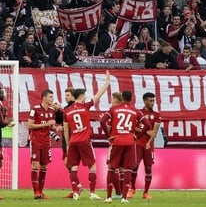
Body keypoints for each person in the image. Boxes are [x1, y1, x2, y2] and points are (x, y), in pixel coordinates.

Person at [63, 70, 111, 200]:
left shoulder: (66, 111)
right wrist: (107, 83)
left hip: (73, 141)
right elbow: (98, 96)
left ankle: (75, 192)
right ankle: (92, 193)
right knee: (92, 166)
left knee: (74, 166)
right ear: (81, 96)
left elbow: (65, 130)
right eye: (84, 94)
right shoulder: (85, 106)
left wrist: (67, 145)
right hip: (84, 140)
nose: (85, 96)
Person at [104, 90, 142, 203]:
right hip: (130, 141)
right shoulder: (135, 111)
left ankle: (109, 197)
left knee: (111, 168)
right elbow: (147, 125)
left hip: (116, 141)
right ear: (131, 98)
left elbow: (103, 122)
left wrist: (108, 136)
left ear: (120, 98)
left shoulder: (114, 110)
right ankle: (124, 197)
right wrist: (137, 135)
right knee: (127, 169)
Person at [28, 89, 58, 199]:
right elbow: (30, 125)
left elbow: (51, 127)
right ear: (44, 98)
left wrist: (56, 128)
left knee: (44, 166)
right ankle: (36, 192)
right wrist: (46, 124)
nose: (52, 99)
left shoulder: (52, 111)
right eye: (50, 97)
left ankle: (41, 192)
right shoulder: (35, 109)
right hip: (36, 141)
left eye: (52, 97)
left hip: (46, 142)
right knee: (35, 165)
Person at [129, 92, 160, 200]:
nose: (152, 103)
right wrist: (146, 132)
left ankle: (146, 192)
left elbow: (154, 132)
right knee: (134, 166)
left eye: (153, 100)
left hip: (148, 145)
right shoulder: (138, 113)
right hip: (138, 143)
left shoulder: (156, 115)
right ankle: (132, 189)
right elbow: (133, 127)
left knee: (148, 168)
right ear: (145, 101)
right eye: (150, 100)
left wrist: (148, 142)